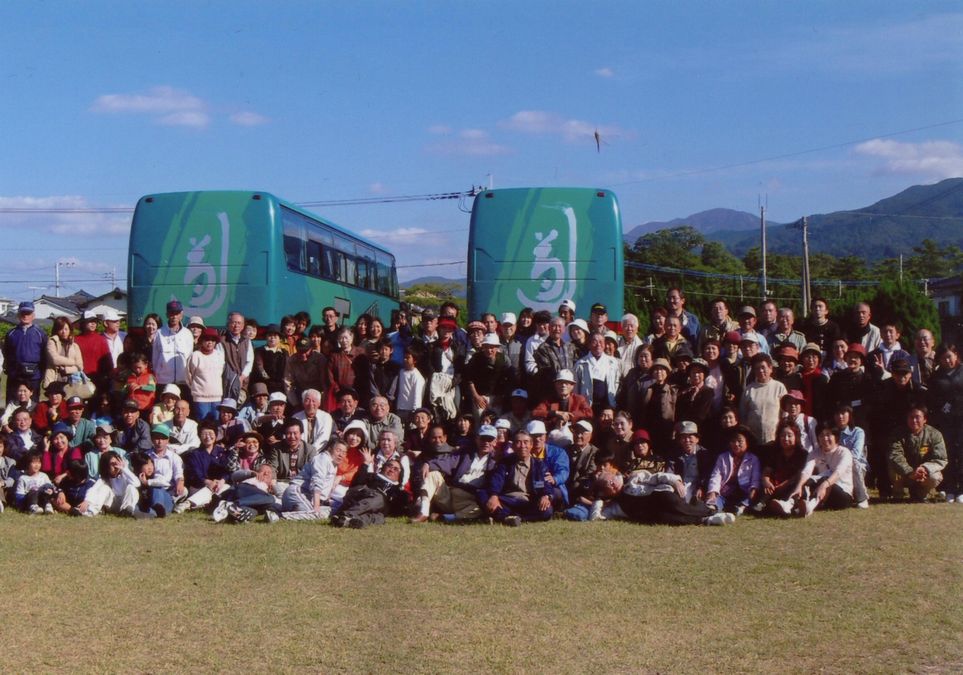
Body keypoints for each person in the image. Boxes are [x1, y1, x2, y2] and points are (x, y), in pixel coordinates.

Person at [412, 423, 499, 523]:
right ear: (477, 439)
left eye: (489, 440)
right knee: (433, 474)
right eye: (483, 439)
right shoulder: (465, 453)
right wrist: (428, 464)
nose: (486, 443)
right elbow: (447, 461)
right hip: (451, 493)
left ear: (495, 442)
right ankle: (423, 512)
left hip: (470, 499)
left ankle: (445, 517)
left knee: (481, 508)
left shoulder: (497, 460)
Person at [479, 430, 554, 526]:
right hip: (507, 500)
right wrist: (494, 495)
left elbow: (545, 483)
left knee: (547, 511)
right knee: (482, 494)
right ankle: (508, 517)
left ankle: (508, 518)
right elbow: (497, 480)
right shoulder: (505, 462)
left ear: (531, 445)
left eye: (526, 442)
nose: (522, 446)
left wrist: (546, 496)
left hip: (528, 501)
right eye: (518, 442)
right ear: (513, 446)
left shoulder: (539, 464)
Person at [790, 423, 854, 516]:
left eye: (828, 435)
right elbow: (807, 471)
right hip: (822, 492)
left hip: (842, 494)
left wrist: (824, 485)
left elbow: (838, 472)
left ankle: (809, 507)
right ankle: (790, 504)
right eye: (821, 436)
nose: (825, 439)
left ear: (836, 437)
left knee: (825, 480)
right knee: (804, 480)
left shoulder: (844, 452)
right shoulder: (814, 453)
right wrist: (799, 486)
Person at [888, 405, 948, 502]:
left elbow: (940, 459)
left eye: (917, 417)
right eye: (911, 417)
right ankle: (898, 494)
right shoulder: (897, 433)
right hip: (906, 473)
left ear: (925, 419)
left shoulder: (935, 434)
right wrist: (910, 471)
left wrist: (924, 468)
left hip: (923, 474)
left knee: (934, 476)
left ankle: (920, 495)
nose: (914, 420)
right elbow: (895, 455)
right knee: (893, 467)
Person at [927, 345, 963, 501]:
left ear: (956, 355)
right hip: (945, 421)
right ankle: (949, 488)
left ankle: (961, 489)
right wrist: (942, 406)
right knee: (948, 453)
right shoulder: (936, 376)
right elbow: (931, 399)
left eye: (949, 356)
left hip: (961, 419)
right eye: (943, 358)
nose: (947, 360)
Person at [330, 458, 410, 528]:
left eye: (396, 469)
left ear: (400, 474)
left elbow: (397, 510)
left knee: (380, 518)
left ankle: (346, 520)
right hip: (358, 497)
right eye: (389, 466)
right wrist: (365, 464)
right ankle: (346, 514)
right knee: (379, 498)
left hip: (374, 509)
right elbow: (355, 485)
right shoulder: (371, 476)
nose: (391, 470)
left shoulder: (399, 491)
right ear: (384, 467)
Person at [280, 437, 346, 519]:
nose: (341, 455)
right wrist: (316, 507)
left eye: (344, 452)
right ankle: (280, 517)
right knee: (315, 514)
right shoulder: (323, 459)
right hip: (298, 492)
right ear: (330, 449)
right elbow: (316, 482)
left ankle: (285, 511)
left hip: (307, 497)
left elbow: (327, 486)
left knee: (335, 509)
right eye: (338, 450)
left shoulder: (333, 463)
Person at [705, 425, 761, 514]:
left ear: (747, 442)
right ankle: (713, 508)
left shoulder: (753, 459)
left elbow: (756, 478)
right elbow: (716, 476)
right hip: (725, 492)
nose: (736, 444)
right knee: (714, 502)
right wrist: (713, 492)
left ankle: (741, 507)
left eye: (740, 441)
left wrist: (753, 490)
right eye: (733, 441)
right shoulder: (722, 457)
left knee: (751, 497)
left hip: (745, 492)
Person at [758, 420, 809, 516]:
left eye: (789, 435)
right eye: (782, 435)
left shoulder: (802, 454)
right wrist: (766, 482)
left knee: (798, 486)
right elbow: (767, 470)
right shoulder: (774, 451)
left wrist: (783, 485)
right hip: (775, 485)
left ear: (796, 437)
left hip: (791, 485)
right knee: (764, 489)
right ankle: (764, 505)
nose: (785, 439)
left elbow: (798, 475)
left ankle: (790, 506)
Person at [3, 301, 47, 402]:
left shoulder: (40, 334)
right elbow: (7, 353)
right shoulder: (11, 333)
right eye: (23, 313)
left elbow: (44, 356)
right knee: (12, 403)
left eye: (28, 313)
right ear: (18, 315)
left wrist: (42, 373)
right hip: (15, 374)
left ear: (33, 315)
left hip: (34, 375)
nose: (25, 316)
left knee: (32, 403)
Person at [739, 353, 787, 445]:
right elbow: (743, 415)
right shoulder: (749, 389)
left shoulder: (779, 387)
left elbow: (785, 414)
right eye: (757, 368)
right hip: (753, 440)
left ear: (770, 368)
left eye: (763, 367)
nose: (760, 371)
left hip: (774, 439)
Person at [152, 300, 195, 396]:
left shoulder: (187, 333)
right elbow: (155, 357)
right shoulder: (159, 333)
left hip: (183, 381)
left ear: (181, 314)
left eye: (177, 313)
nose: (174, 316)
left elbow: (189, 357)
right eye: (171, 313)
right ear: (167, 315)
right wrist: (157, 374)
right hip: (163, 381)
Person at [573, 332, 621, 414]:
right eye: (594, 341)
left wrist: (612, 405)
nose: (598, 344)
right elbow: (576, 388)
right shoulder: (580, 363)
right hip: (586, 406)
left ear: (604, 344)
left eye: (601, 342)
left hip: (607, 406)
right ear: (589, 344)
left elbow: (616, 384)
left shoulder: (613, 362)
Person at [186, 327, 225, 421]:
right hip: (200, 398)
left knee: (216, 423)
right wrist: (196, 389)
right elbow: (188, 376)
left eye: (213, 340)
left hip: (216, 397)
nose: (210, 342)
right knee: (202, 423)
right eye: (207, 340)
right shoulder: (195, 355)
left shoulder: (219, 355)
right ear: (202, 341)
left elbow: (221, 372)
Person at [41, 316, 83, 394]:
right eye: (61, 329)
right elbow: (55, 360)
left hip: (71, 381)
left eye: (66, 329)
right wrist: (73, 362)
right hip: (54, 379)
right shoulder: (52, 342)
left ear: (70, 330)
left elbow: (80, 366)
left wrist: (66, 370)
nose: (64, 332)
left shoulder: (74, 346)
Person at [219, 311, 254, 401]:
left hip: (243, 381)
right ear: (228, 324)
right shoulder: (222, 341)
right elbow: (220, 363)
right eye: (234, 322)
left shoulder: (247, 341)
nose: (236, 326)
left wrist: (242, 377)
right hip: (227, 382)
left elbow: (249, 362)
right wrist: (233, 379)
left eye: (239, 323)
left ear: (243, 326)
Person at [294, 388, 335, 453]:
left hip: (320, 452)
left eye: (314, 401)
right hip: (298, 452)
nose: (311, 404)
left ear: (319, 403)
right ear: (303, 403)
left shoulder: (326, 417)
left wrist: (310, 452)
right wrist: (302, 452)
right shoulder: (295, 417)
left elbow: (323, 438)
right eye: (307, 400)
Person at [251, 324, 288, 393]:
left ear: (279, 338)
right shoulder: (259, 351)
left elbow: (287, 368)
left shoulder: (284, 352)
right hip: (263, 382)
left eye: (275, 336)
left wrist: (283, 380)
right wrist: (268, 380)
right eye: (270, 335)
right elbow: (259, 367)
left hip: (280, 383)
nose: (272, 338)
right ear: (266, 337)